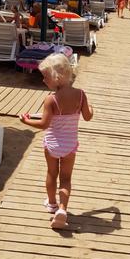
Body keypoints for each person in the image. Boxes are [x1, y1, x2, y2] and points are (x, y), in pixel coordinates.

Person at [19, 54, 94, 229]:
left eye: (46, 77)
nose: (43, 80)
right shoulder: (80, 95)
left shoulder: (50, 99)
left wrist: (26, 121)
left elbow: (44, 124)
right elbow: (88, 116)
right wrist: (91, 108)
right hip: (70, 146)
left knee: (52, 174)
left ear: (56, 77)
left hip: (52, 144)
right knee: (66, 178)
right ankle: (62, 209)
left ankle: (52, 203)